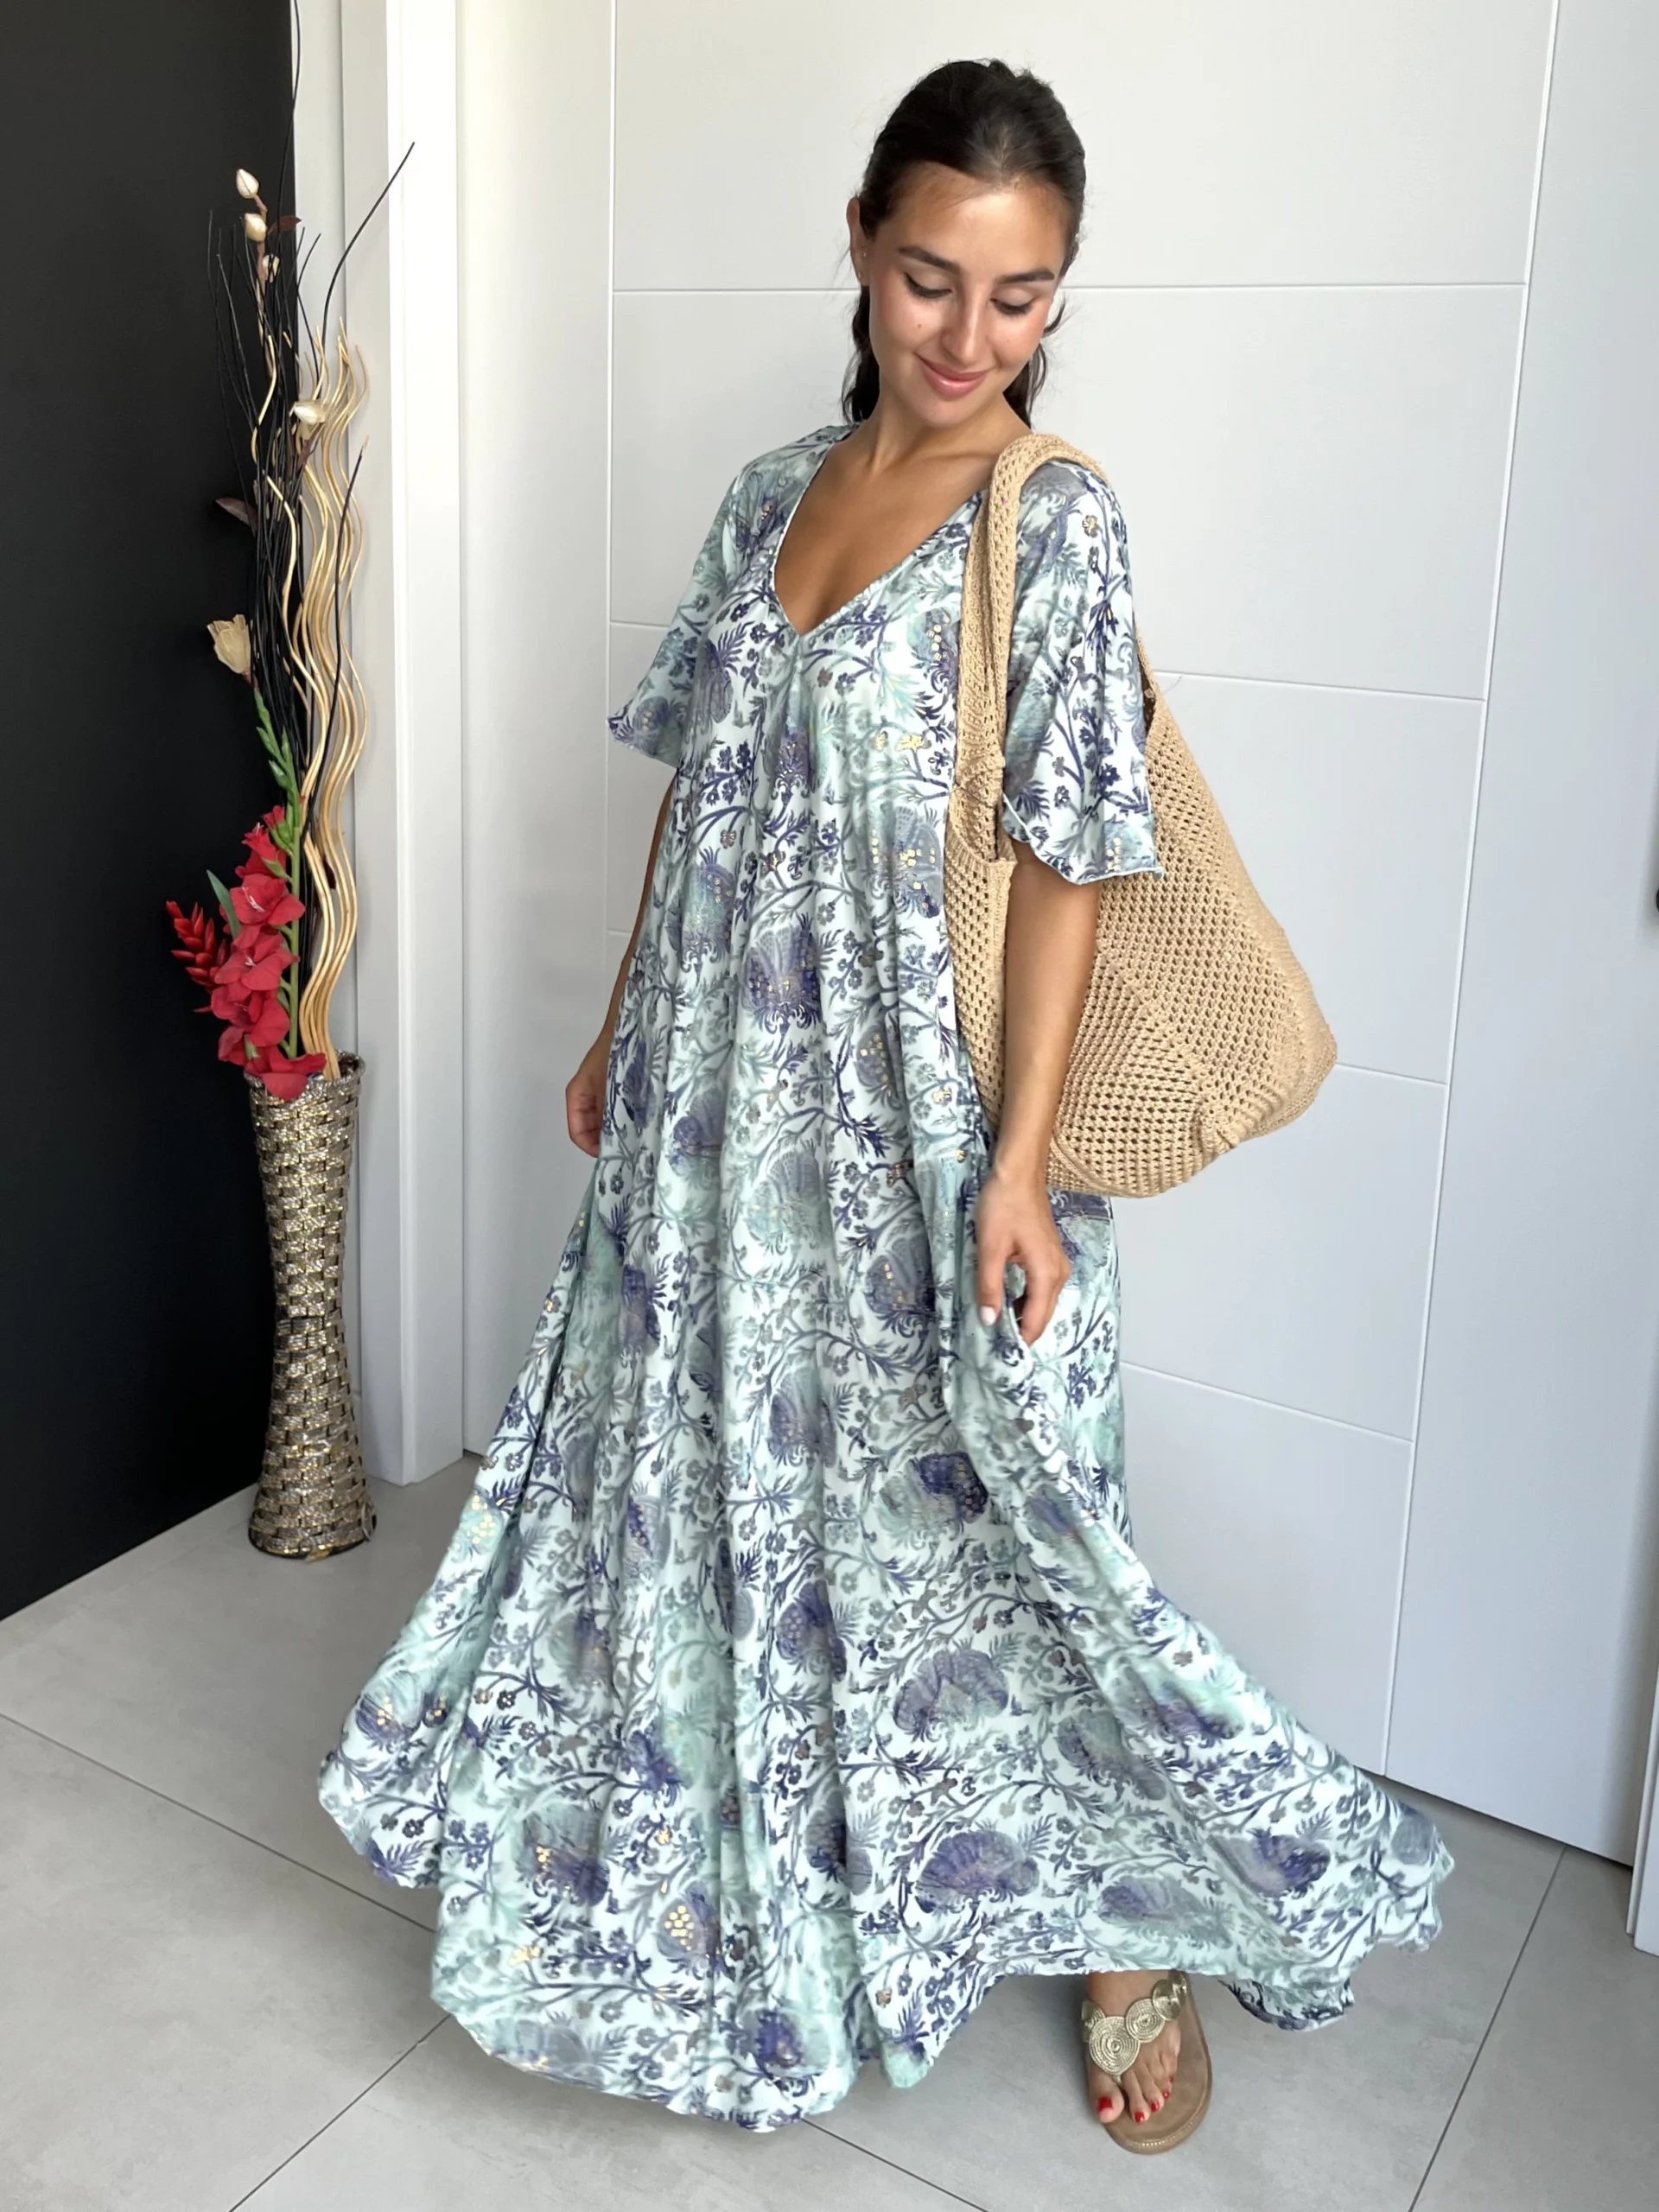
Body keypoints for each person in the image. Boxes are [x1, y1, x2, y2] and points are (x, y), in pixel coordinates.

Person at [319, 57, 1451, 2149]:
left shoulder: (1059, 522)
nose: (967, 335)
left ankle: (1128, 1931)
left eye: (1021, 296)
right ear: (859, 242)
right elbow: (703, 791)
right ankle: (748, 1870)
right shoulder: (768, 496)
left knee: (1011, 1523)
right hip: (715, 1104)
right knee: (728, 1493)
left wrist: (1017, 1167)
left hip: (925, 1128)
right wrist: (621, 1020)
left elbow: (1069, 859)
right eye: (933, 277)